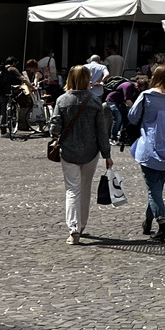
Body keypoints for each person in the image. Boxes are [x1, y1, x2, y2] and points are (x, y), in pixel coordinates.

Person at [51, 65, 113, 245]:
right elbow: (102, 131)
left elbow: (54, 127)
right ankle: (82, 225)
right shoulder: (94, 102)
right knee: (85, 189)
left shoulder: (62, 100)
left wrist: (57, 135)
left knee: (72, 190)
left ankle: (73, 229)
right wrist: (106, 154)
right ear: (87, 80)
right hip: (91, 152)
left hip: (68, 151)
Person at [128, 65, 165, 242]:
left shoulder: (147, 95)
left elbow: (133, 117)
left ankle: (163, 224)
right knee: (157, 188)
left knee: (153, 190)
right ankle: (148, 222)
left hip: (150, 146)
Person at [105, 75, 139, 143]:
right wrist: (136, 110)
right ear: (138, 85)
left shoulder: (135, 89)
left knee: (126, 119)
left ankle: (122, 138)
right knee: (118, 118)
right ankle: (113, 138)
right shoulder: (128, 86)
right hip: (112, 101)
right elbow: (128, 101)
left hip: (120, 102)